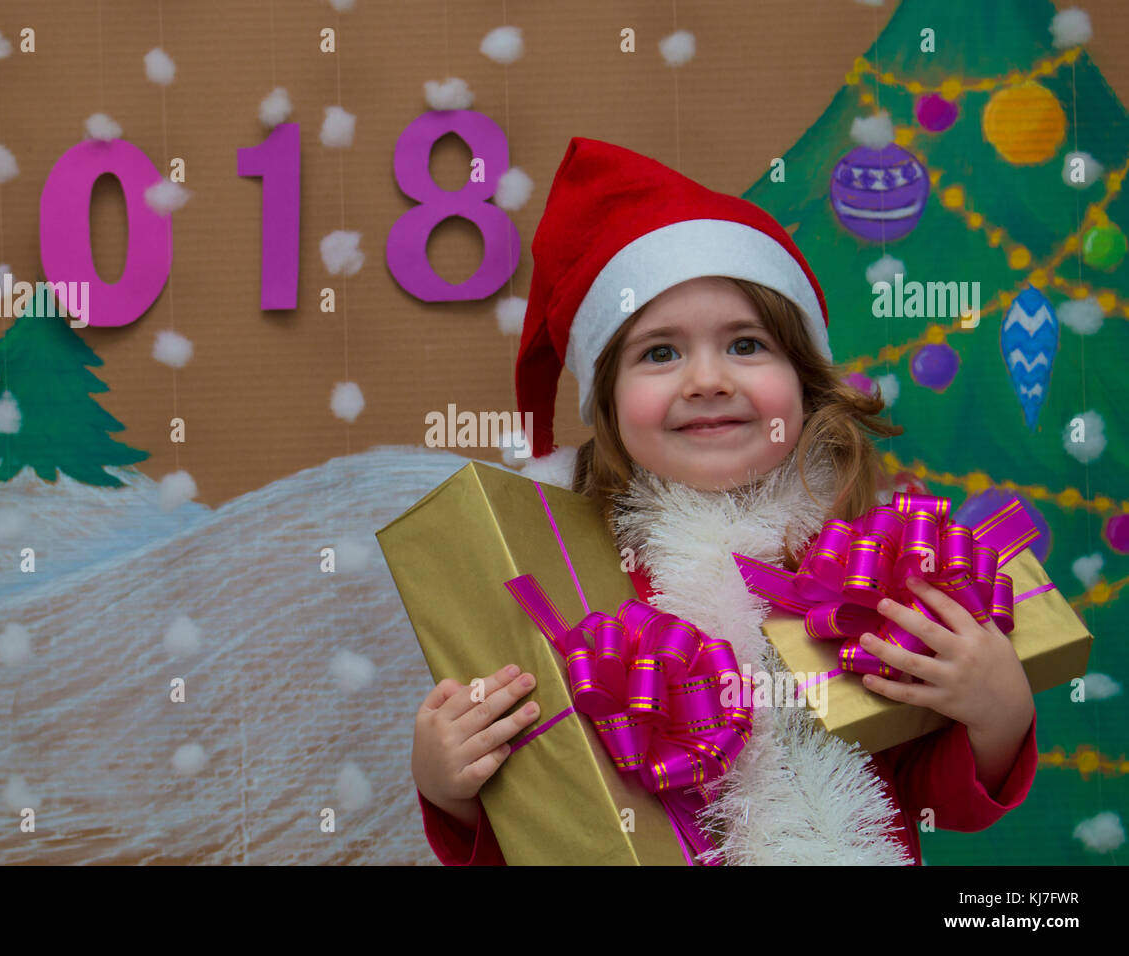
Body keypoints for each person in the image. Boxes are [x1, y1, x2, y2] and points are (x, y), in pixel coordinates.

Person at [411, 137, 1038, 866]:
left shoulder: (861, 567)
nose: (707, 379)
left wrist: (997, 712)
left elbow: (922, 794)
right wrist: (450, 786)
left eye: (745, 345)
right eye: (659, 353)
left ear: (804, 382)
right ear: (606, 403)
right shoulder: (568, 582)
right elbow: (545, 817)